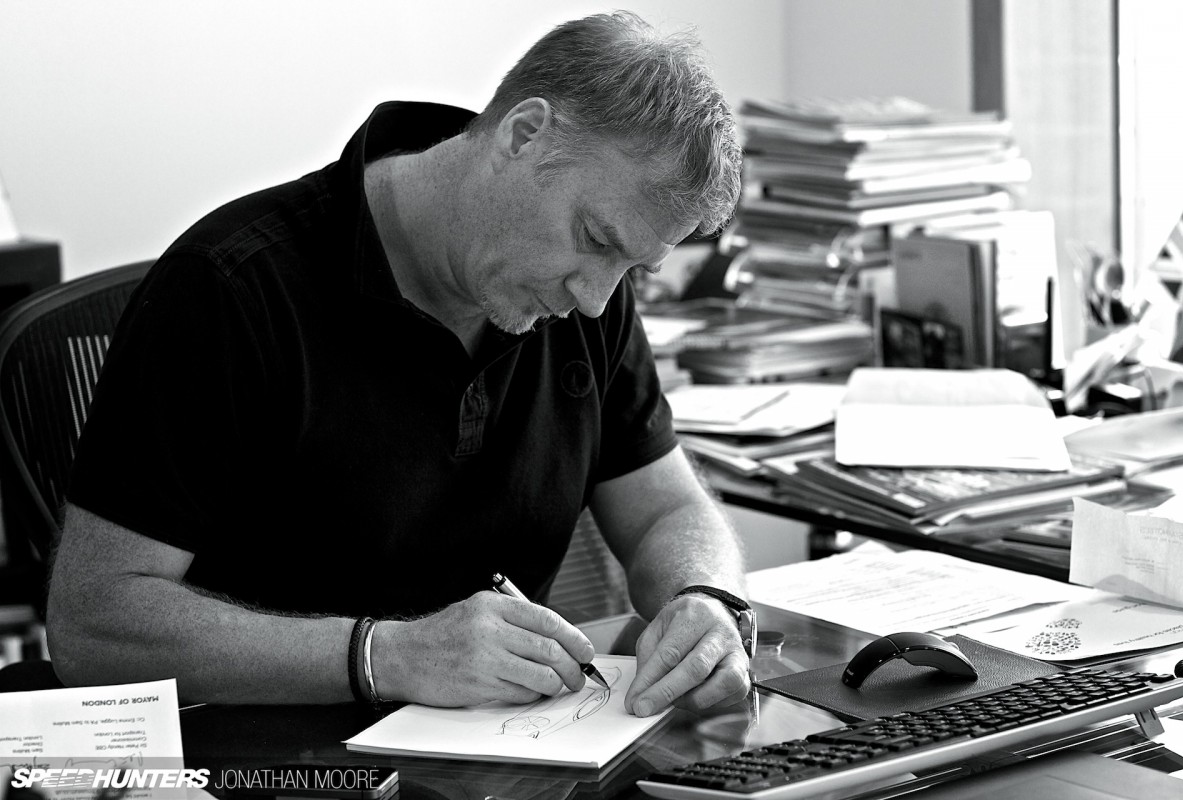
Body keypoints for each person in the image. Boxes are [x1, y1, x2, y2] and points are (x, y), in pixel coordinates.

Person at [46, 10, 749, 718]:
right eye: (595, 238)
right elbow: (94, 625)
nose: (597, 300)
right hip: (265, 761)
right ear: (523, 134)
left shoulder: (581, 296)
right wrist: (384, 656)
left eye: (635, 268)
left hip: (500, 755)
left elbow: (666, 508)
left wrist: (706, 598)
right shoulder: (230, 290)